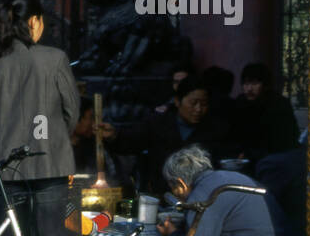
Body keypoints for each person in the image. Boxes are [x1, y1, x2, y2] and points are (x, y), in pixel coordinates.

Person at [0, 0, 79, 228]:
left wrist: (2, 134)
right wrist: (55, 137)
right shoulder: (55, 59)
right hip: (50, 162)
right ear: (33, 21)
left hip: (4, 165)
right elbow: (71, 111)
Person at [157, 145, 300, 236]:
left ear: (181, 184)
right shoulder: (232, 177)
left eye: (174, 189)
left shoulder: (201, 195)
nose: (177, 195)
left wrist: (172, 235)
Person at [96, 74, 235, 193]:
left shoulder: (215, 129)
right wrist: (114, 135)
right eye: (193, 103)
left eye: (203, 104)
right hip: (162, 192)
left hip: (201, 194)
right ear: (177, 101)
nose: (198, 109)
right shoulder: (158, 123)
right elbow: (133, 140)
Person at [232, 62, 299, 162]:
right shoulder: (240, 102)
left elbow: (285, 140)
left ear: (265, 85)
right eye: (246, 84)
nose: (249, 88)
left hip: (275, 157)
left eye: (254, 83)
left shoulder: (279, 104)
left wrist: (251, 154)